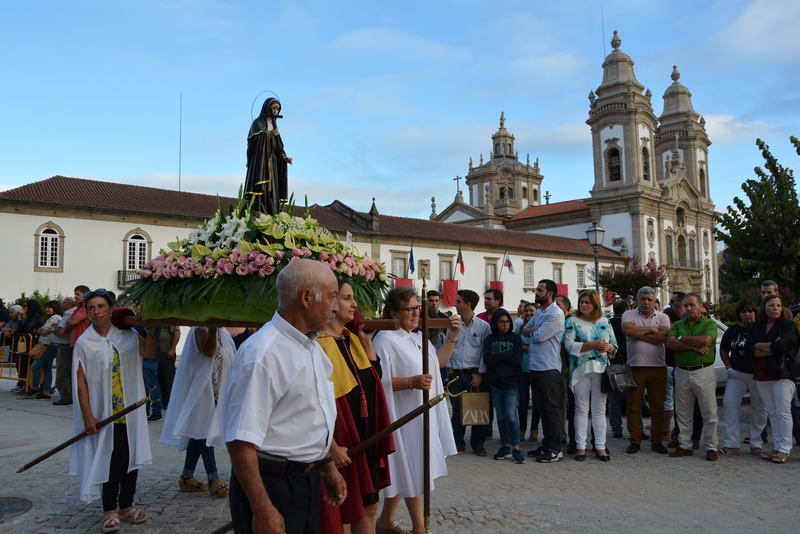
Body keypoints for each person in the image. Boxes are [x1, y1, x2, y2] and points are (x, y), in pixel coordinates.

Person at [212, 259, 345, 534]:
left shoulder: (312, 347)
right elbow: (240, 441)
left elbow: (309, 414)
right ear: (307, 298)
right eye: (332, 297)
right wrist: (262, 509)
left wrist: (326, 463)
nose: (336, 307)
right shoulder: (262, 355)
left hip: (304, 482)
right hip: (271, 485)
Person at [373, 287, 460, 534]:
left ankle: (386, 519)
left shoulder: (417, 337)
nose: (415, 313)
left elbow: (438, 362)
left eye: (417, 309)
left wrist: (452, 335)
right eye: (410, 309)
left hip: (423, 412)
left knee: (409, 466)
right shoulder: (385, 340)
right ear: (393, 312)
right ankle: (420, 529)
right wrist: (410, 382)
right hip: (404, 414)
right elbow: (378, 381)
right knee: (413, 466)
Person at [70, 289, 155, 533]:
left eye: (101, 306)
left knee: (130, 456)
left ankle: (126, 506)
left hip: (131, 409)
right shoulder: (85, 342)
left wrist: (148, 328)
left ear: (110, 308)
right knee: (112, 457)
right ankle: (109, 509)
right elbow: (81, 381)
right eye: (91, 308)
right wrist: (88, 416)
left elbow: (149, 353)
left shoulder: (127, 334)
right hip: (104, 412)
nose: (96, 312)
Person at [317, 280, 395, 534]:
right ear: (331, 302)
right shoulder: (317, 344)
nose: (355, 304)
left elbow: (374, 379)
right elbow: (313, 403)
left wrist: (367, 343)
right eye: (347, 298)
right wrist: (332, 447)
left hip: (365, 434)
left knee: (369, 506)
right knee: (346, 511)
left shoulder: (351, 339)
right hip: (342, 437)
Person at [160, 326, 235, 497]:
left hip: (216, 389)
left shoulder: (223, 332)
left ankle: (187, 477)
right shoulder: (200, 330)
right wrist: (214, 327)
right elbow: (209, 352)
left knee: (197, 432)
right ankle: (213, 478)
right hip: (201, 390)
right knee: (204, 431)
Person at [564, 289, 617, 461]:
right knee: (581, 409)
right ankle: (581, 447)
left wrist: (608, 348)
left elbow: (614, 345)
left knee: (599, 410)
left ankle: (600, 447)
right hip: (581, 370)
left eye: (587, 302)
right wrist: (593, 344)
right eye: (581, 302)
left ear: (595, 303)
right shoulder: (572, 321)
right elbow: (569, 346)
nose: (584, 305)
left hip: (601, 369)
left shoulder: (605, 321)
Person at [744, 295, 797, 463]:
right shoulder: (758, 326)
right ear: (764, 308)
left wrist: (760, 346)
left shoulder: (787, 325)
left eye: (779, 305)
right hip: (762, 372)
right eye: (771, 305)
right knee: (772, 412)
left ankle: (784, 449)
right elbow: (748, 349)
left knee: (783, 411)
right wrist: (770, 347)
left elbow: (781, 346)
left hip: (782, 373)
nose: (775, 308)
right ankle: (777, 447)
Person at [666, 293, 719, 461]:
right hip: (682, 371)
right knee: (683, 412)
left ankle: (711, 447)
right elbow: (670, 343)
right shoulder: (678, 324)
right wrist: (693, 346)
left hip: (703, 371)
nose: (689, 308)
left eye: (692, 305)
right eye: (686, 305)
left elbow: (705, 340)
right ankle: (685, 445)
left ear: (700, 306)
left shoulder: (709, 323)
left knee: (708, 411)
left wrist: (683, 339)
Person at [622, 287, 671, 454]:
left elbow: (663, 338)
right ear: (637, 300)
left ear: (654, 301)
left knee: (658, 406)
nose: (646, 302)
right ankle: (634, 440)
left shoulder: (663, 317)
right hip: (635, 367)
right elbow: (627, 331)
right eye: (643, 299)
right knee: (633, 406)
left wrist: (638, 333)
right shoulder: (628, 315)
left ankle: (657, 440)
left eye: (650, 299)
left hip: (658, 368)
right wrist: (651, 329)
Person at [523, 280, 566, 463]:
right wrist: (535, 329)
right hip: (536, 367)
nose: (536, 292)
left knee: (552, 409)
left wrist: (534, 330)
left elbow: (539, 336)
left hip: (549, 368)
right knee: (542, 408)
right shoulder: (540, 311)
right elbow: (523, 329)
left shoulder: (556, 314)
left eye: (539, 290)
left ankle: (556, 449)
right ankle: (547, 444)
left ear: (549, 293)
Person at [447, 289, 492, 455]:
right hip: (456, 374)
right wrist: (450, 370)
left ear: (468, 304)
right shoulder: (453, 325)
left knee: (477, 410)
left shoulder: (483, 327)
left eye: (458, 302)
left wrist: (480, 374)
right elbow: (448, 346)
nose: (455, 304)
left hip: (475, 375)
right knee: (457, 411)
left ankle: (477, 444)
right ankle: (458, 443)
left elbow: (485, 353)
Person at [719, 299, 767, 455]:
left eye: (750, 311)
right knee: (729, 404)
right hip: (737, 374)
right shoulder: (732, 330)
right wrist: (728, 367)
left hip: (758, 375)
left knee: (760, 408)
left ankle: (756, 442)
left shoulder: (762, 329)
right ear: (739, 314)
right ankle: (731, 443)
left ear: (756, 312)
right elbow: (724, 349)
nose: (747, 314)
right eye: (743, 311)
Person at [484, 307, 525, 463]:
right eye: (502, 322)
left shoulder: (515, 338)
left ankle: (516, 448)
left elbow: (517, 360)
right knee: (501, 417)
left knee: (510, 415)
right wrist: (507, 354)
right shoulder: (489, 340)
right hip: (495, 383)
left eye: (508, 322)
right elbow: (487, 360)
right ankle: (505, 445)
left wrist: (499, 357)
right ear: (496, 322)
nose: (505, 324)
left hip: (511, 383)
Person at [244, 96, 292, 215]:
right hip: (261, 164)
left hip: (273, 163)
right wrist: (268, 135)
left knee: (272, 190)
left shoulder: (275, 126)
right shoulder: (258, 123)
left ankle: (272, 214)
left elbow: (278, 147)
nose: (275, 111)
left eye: (277, 109)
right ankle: (258, 215)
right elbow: (253, 142)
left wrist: (284, 157)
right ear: (267, 107)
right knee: (262, 189)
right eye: (273, 108)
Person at [26, 300, 63, 399]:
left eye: (49, 307)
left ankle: (35, 387)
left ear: (55, 308)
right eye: (46, 307)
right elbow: (40, 330)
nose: (47, 309)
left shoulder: (56, 318)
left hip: (51, 346)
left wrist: (44, 330)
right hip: (46, 346)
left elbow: (44, 331)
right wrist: (43, 330)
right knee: (47, 369)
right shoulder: (50, 318)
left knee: (35, 366)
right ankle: (46, 391)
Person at [516, 303, 540, 442]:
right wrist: (532, 347)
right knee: (523, 401)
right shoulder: (519, 329)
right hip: (522, 370)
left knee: (537, 402)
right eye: (526, 311)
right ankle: (522, 429)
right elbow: (517, 346)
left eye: (532, 311)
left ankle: (534, 429)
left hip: (536, 369)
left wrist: (526, 347)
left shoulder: (538, 328)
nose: (529, 313)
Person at [607, 299, 630, 438]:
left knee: (614, 400)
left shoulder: (608, 323)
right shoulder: (627, 324)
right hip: (627, 363)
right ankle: (637, 428)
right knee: (632, 399)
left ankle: (616, 429)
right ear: (627, 309)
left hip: (612, 364)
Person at [52, 298, 77, 405]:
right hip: (70, 346)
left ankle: (66, 397)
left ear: (67, 304)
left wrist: (52, 330)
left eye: (63, 304)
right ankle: (71, 396)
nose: (61, 306)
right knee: (70, 372)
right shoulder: (77, 312)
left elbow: (62, 331)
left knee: (63, 372)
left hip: (64, 346)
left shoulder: (69, 313)